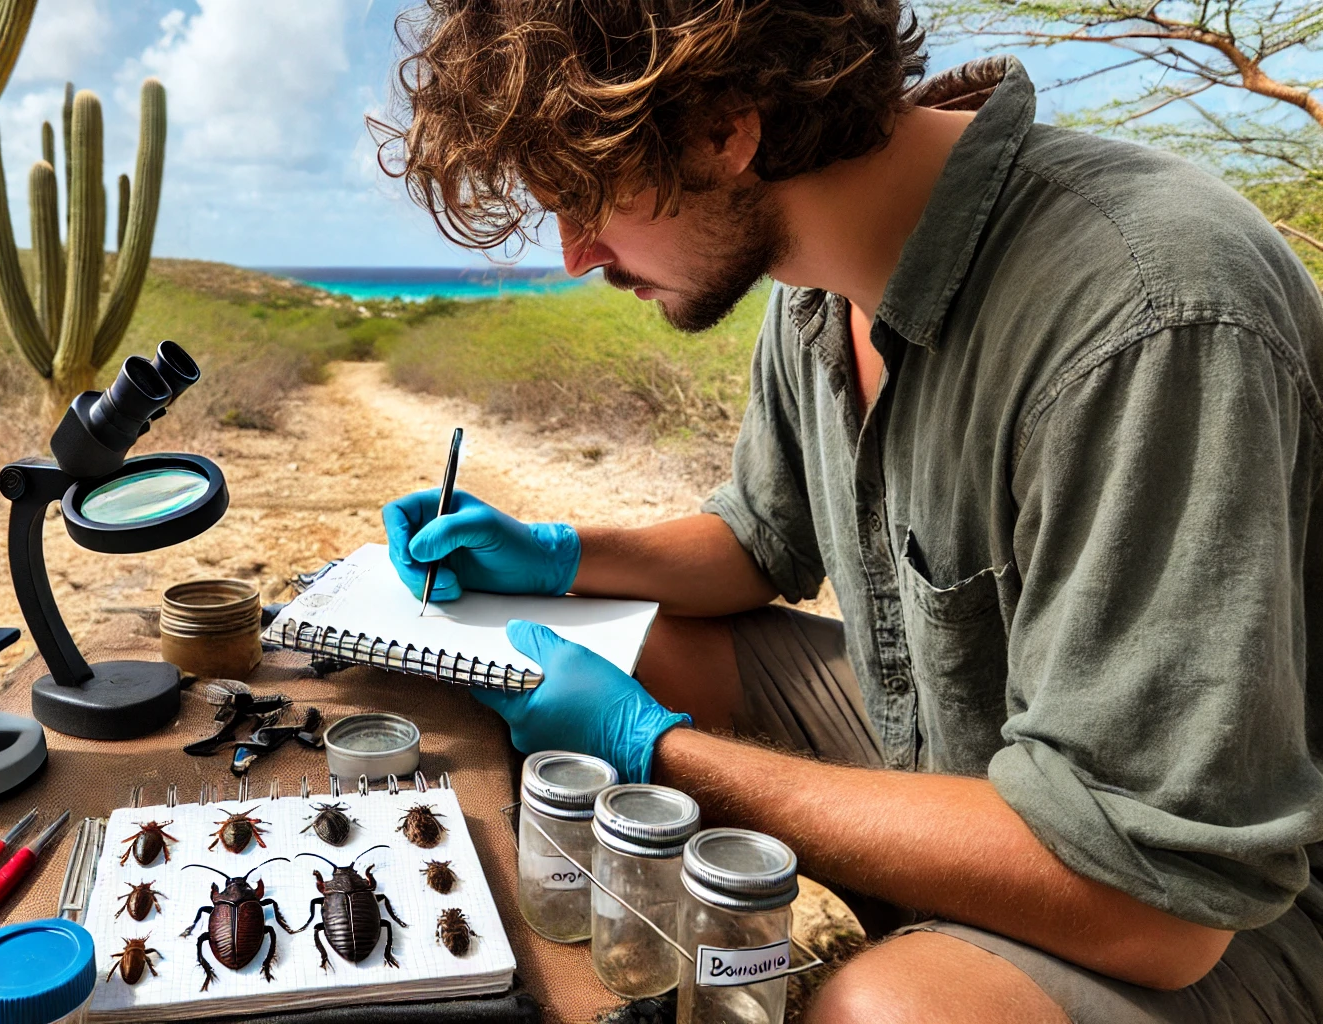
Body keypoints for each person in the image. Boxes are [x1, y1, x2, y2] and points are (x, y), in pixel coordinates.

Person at [371, 3, 1323, 1022]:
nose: (572, 251)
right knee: (629, 646)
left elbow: (1158, 902)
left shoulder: (1144, 307)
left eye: (583, 196)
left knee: (886, 1012)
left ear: (723, 131)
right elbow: (758, 539)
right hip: (967, 748)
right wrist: (554, 558)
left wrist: (660, 753)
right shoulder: (814, 280)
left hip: (1222, 901)